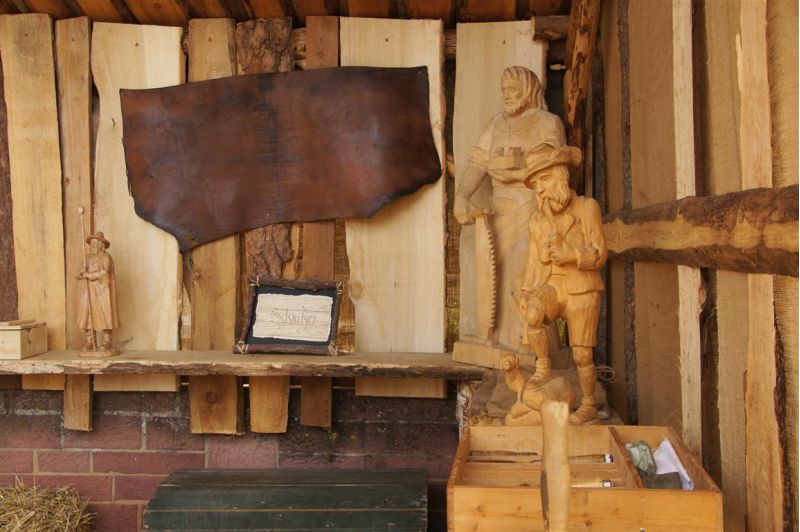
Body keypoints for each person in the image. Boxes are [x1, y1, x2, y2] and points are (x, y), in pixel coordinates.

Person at [454, 66, 567, 352]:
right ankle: (498, 340)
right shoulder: (496, 124)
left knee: (525, 277)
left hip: (532, 209)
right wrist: (462, 196)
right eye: (504, 90)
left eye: (513, 89)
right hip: (497, 212)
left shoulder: (548, 123)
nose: (507, 95)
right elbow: (477, 163)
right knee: (495, 277)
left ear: (528, 90)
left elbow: (555, 167)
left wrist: (515, 174)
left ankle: (532, 344)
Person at [519, 144, 606, 423]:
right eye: (535, 185)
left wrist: (572, 254)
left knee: (582, 355)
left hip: (582, 288)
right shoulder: (537, 220)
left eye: (544, 180)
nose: (540, 190)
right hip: (553, 286)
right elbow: (533, 261)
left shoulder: (587, 208)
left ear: (561, 176)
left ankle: (589, 403)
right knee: (533, 313)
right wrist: (526, 291)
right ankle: (543, 366)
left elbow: (599, 253)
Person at [77, 232, 119, 354]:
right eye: (91, 243)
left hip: (101, 292)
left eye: (95, 243)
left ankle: (107, 342)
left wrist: (89, 275)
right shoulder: (87, 258)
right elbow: (81, 273)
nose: (93, 246)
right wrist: (82, 272)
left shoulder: (106, 257)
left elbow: (104, 273)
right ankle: (90, 341)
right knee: (88, 316)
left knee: (105, 315)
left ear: (101, 244)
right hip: (89, 292)